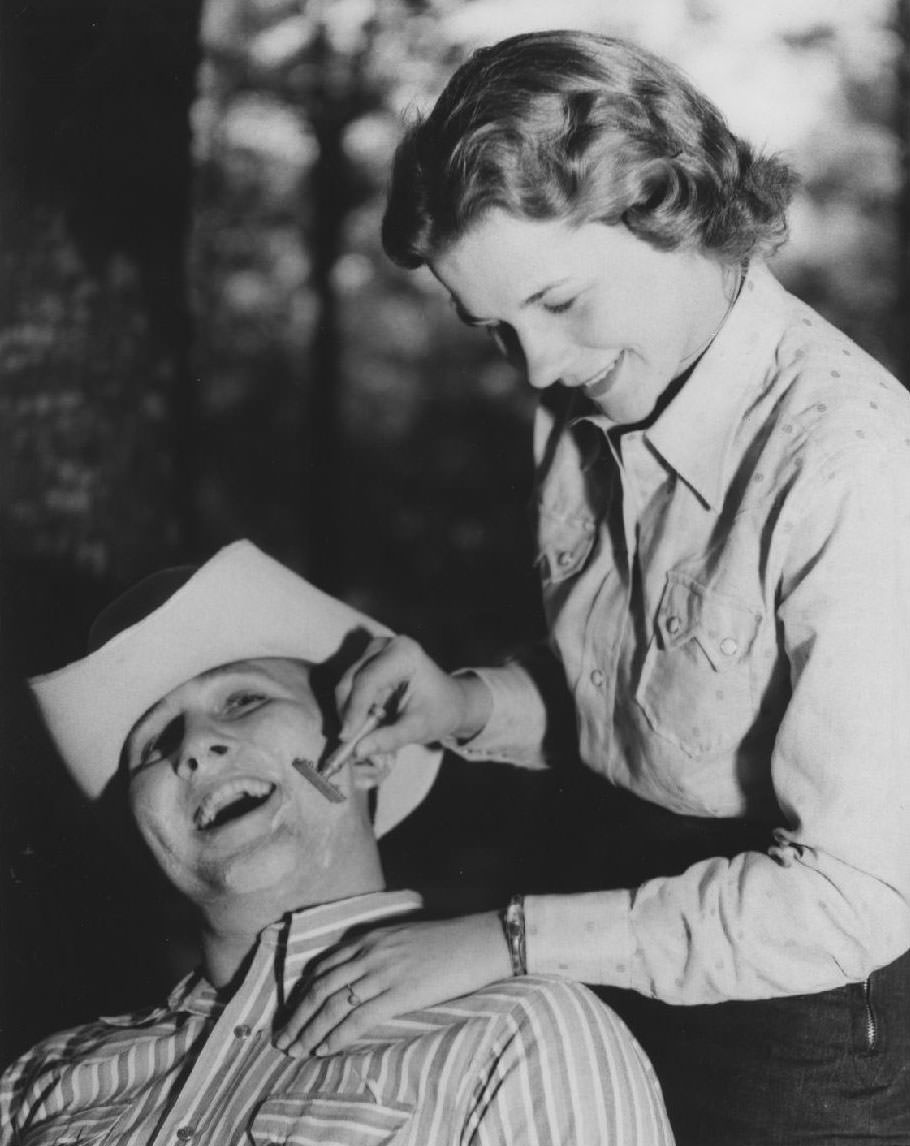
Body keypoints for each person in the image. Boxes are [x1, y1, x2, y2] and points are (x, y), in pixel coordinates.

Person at [273, 30, 910, 1146]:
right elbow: (651, 709)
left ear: (668, 204)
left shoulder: (853, 466)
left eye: (560, 302)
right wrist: (465, 705)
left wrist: (508, 940)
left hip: (796, 997)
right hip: (606, 918)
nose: (537, 367)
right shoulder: (587, 395)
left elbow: (855, 895)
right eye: (492, 329)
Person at [0, 540, 674, 1146]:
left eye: (244, 702)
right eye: (155, 742)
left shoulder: (516, 1035)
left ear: (369, 750)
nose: (196, 748)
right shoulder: (43, 1082)